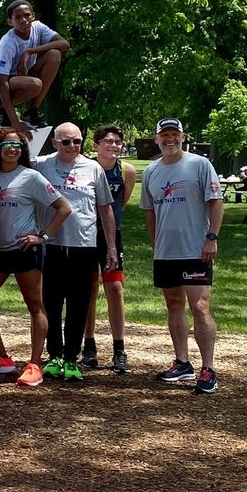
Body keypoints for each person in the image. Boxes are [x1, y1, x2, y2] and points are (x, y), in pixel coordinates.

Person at [0, 128, 70, 387]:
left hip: (26, 250)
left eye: (17, 145)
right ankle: (2, 357)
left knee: (35, 305)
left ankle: (35, 364)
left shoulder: (31, 177)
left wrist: (42, 236)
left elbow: (63, 208)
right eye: (7, 144)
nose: (12, 149)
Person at [142, 118, 224, 394]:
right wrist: (155, 245)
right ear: (156, 139)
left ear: (182, 137)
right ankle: (182, 362)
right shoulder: (151, 171)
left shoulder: (200, 165)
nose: (169, 139)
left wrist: (211, 237)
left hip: (195, 250)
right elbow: (149, 212)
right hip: (166, 252)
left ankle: (208, 368)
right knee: (174, 304)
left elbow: (216, 202)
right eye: (164, 135)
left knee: (199, 307)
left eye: (174, 134)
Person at [34, 123, 117, 382]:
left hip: (84, 246)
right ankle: (54, 355)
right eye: (66, 142)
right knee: (51, 302)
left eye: (77, 141)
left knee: (79, 305)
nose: (73, 146)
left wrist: (111, 247)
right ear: (55, 143)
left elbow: (105, 209)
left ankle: (72, 357)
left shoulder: (93, 168)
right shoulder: (41, 165)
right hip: (51, 245)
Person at [83, 125, 136, 373]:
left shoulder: (127, 171)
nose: (113, 146)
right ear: (96, 145)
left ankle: (119, 348)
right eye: (107, 141)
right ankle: (89, 344)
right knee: (88, 289)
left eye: (117, 142)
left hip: (111, 235)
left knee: (114, 288)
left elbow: (120, 204)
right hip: (85, 235)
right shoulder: (85, 168)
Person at [0, 0, 70, 136]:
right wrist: (14, 122)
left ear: (33, 16)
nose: (23, 20)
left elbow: (64, 44)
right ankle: (2, 108)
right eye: (17, 17)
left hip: (23, 77)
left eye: (27, 15)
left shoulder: (39, 28)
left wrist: (30, 51)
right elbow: (2, 83)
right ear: (10, 22)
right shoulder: (7, 43)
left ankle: (32, 111)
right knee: (35, 84)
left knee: (54, 54)